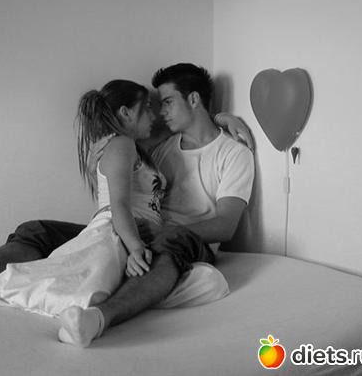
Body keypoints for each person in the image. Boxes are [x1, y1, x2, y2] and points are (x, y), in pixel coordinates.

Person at [0, 79, 178, 315]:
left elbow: (164, 137)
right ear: (126, 113)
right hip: (127, 227)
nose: (155, 115)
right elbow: (119, 206)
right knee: (38, 233)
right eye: (147, 108)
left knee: (35, 230)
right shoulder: (122, 144)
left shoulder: (127, 146)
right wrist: (136, 247)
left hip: (122, 226)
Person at [56, 63, 254, 347]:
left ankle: (98, 318)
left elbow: (225, 226)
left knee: (178, 253)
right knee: (40, 231)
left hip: (184, 241)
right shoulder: (162, 149)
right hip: (147, 232)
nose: (161, 112)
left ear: (194, 99)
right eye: (158, 105)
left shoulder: (234, 154)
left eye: (168, 102)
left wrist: (160, 234)